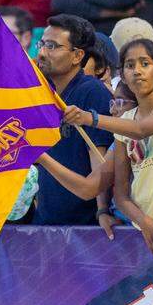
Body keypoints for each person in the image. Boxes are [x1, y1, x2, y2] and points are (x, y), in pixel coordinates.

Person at [60, 38, 153, 251]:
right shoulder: (125, 120)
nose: (137, 71)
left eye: (145, 64)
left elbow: (141, 130)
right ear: (123, 76)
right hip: (140, 229)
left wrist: (89, 118)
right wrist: (145, 223)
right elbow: (121, 194)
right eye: (130, 65)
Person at [33, 14, 114, 226]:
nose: (41, 52)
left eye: (52, 46)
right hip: (45, 226)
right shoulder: (43, 95)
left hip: (85, 230)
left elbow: (100, 173)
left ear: (77, 56)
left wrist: (102, 211)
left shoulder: (92, 92)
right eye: (41, 43)